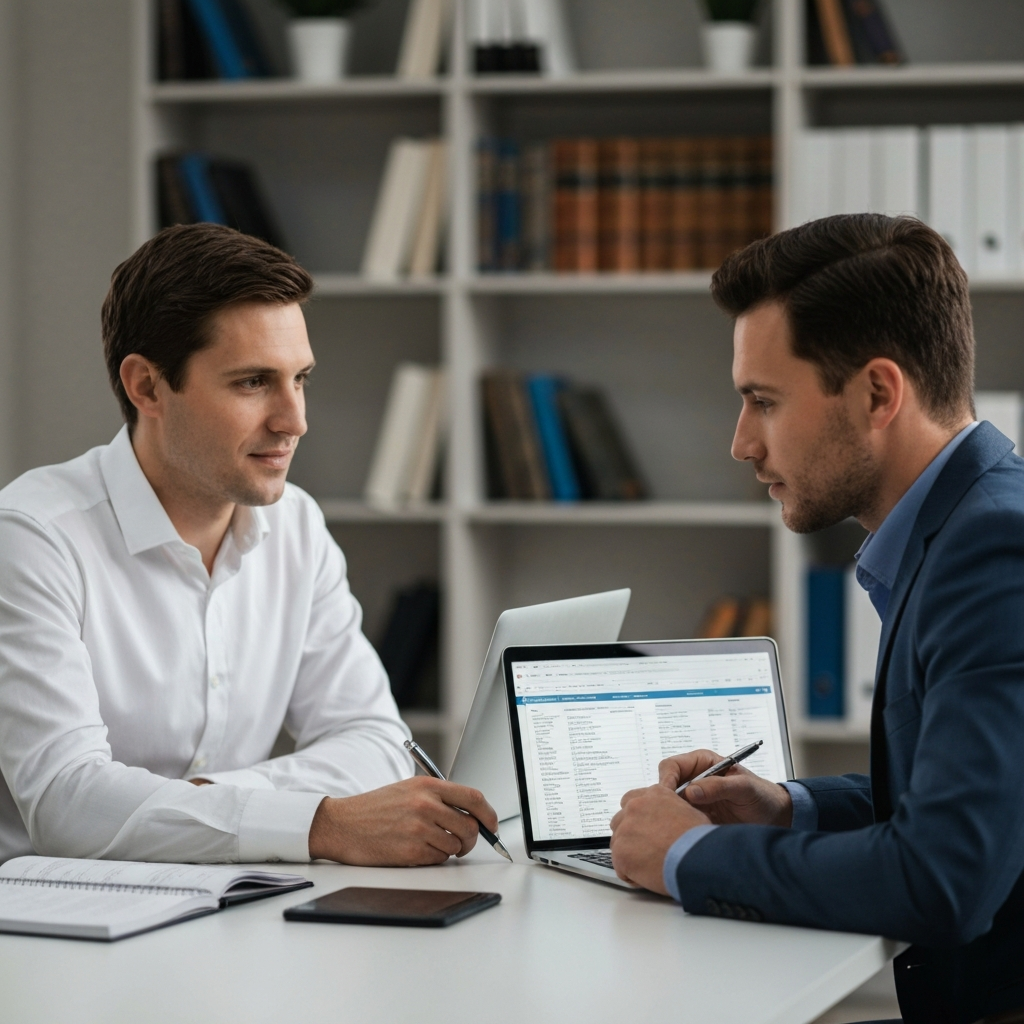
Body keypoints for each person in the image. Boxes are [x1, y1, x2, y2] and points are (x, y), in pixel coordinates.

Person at [609, 214, 1024, 1024]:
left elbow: (944, 880)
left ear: (877, 393)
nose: (740, 443)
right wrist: (787, 807)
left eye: (762, 401)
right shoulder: (965, 522)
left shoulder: (992, 552)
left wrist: (690, 855)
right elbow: (973, 798)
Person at [0, 223, 496, 867]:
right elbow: (68, 805)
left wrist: (209, 803)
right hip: (55, 936)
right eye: (253, 382)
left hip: (233, 905)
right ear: (147, 386)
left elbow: (373, 739)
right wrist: (317, 824)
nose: (295, 420)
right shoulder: (32, 538)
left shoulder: (296, 525)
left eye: (301, 379)